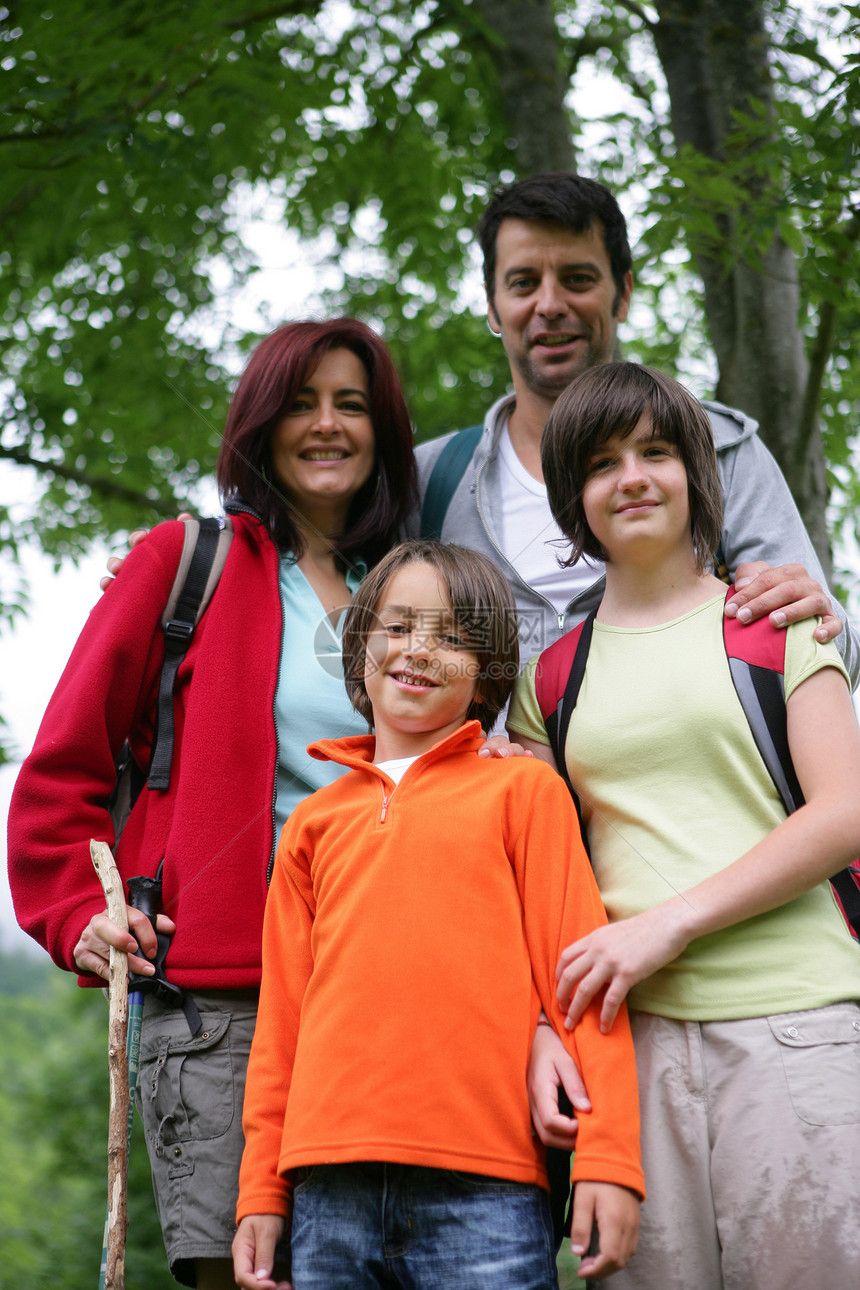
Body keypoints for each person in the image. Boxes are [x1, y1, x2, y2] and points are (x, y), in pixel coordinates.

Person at [7, 318, 420, 1290]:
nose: (326, 425)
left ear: (382, 430)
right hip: (221, 1008)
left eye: (351, 404)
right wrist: (79, 916)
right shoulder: (180, 561)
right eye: (302, 402)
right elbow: (60, 770)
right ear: (261, 423)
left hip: (395, 996)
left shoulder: (410, 584)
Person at [507, 362, 860, 1290]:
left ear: (696, 476)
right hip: (630, 1051)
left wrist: (670, 922)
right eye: (602, 461)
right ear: (571, 497)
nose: (631, 477)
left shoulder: (780, 625)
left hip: (798, 1029)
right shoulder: (547, 681)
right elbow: (542, 883)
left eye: (655, 452)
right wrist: (545, 1028)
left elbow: (846, 811)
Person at [231, 539, 644, 1290]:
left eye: (452, 637)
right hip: (328, 1191)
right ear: (359, 649)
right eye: (400, 626)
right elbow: (281, 1023)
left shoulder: (524, 795)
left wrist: (610, 1157)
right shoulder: (312, 826)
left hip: (488, 1189)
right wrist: (261, 1187)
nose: (419, 650)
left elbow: (582, 981)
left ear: (487, 674)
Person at [414, 172, 859, 683]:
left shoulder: (720, 449)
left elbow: (833, 649)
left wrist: (810, 618)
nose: (551, 304)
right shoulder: (431, 477)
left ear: (622, 293)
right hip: (490, 763)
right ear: (492, 305)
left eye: (578, 279)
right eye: (523, 282)